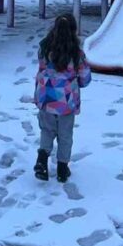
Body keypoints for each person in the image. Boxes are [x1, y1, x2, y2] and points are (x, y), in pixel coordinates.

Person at [33, 13, 91, 183]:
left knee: (47, 130)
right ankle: (62, 168)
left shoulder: (44, 48)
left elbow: (42, 68)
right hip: (66, 102)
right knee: (65, 134)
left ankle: (42, 160)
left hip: (46, 98)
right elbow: (85, 78)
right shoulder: (76, 53)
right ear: (73, 31)